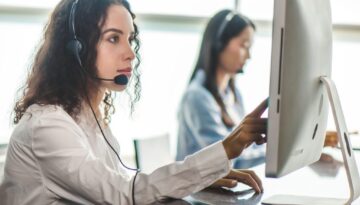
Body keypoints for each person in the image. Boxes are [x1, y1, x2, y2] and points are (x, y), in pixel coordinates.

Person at [0, 1, 268, 204]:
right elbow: (123, 193)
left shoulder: (87, 116)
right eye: (114, 39)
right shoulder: (48, 127)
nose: (130, 54)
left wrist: (196, 182)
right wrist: (226, 149)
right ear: (77, 48)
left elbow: (122, 180)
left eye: (130, 40)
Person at [176, 9, 266, 169]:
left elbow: (249, 149)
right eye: (244, 46)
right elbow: (228, 158)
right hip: (198, 192)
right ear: (219, 43)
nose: (249, 56)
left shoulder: (233, 94)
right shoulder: (197, 97)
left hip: (224, 189)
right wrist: (275, 155)